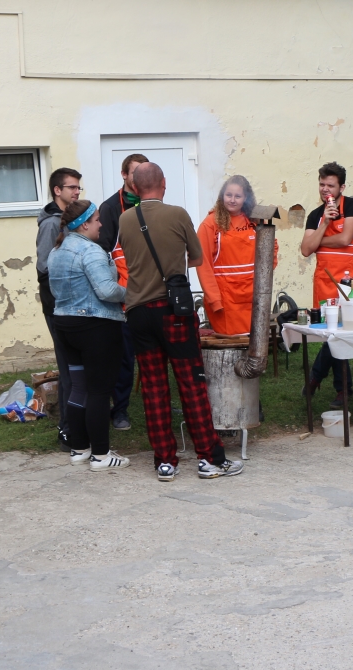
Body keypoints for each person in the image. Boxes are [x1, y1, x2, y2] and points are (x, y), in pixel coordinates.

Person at [118, 162, 244, 482]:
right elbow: (198, 258)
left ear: (135, 187)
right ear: (164, 183)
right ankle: (209, 458)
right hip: (172, 310)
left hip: (138, 312)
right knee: (191, 384)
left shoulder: (125, 219)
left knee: (153, 387)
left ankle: (165, 461)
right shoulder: (177, 214)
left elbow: (130, 260)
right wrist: (174, 261)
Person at [47, 199, 130, 471]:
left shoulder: (56, 251)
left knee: (79, 388)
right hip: (96, 327)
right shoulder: (91, 250)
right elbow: (107, 290)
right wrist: (132, 294)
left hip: (65, 325)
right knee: (99, 391)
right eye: (96, 220)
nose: (101, 224)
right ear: (84, 225)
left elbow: (54, 290)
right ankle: (101, 455)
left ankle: (79, 449)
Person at [299, 162, 353, 408]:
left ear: (341, 187)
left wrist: (318, 241)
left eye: (330, 185)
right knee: (332, 334)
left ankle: (321, 379)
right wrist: (325, 224)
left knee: (340, 334)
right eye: (322, 184)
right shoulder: (316, 215)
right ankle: (342, 389)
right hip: (325, 281)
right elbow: (306, 250)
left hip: (349, 282)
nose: (325, 189)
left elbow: (346, 238)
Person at [98, 153, 148, 431]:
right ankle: (120, 410)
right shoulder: (110, 208)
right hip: (124, 296)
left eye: (144, 172)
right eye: (134, 172)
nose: (139, 178)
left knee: (154, 355)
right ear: (124, 175)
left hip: (152, 292)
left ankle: (157, 403)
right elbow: (102, 253)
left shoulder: (152, 203)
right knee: (124, 358)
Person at [196, 175, 278, 336]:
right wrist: (214, 300)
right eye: (229, 195)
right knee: (231, 344)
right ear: (222, 196)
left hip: (253, 297)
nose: (232, 200)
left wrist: (266, 273)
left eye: (238, 196)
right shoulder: (210, 224)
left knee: (254, 342)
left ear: (246, 198)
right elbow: (203, 264)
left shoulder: (255, 220)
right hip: (226, 301)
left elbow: (270, 249)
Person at [36, 167, 82, 450]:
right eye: (72, 187)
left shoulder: (70, 219)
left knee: (76, 367)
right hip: (57, 305)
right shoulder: (52, 224)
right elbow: (45, 268)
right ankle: (67, 430)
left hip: (72, 304)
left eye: (78, 187)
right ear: (57, 190)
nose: (77, 192)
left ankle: (77, 423)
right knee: (68, 367)